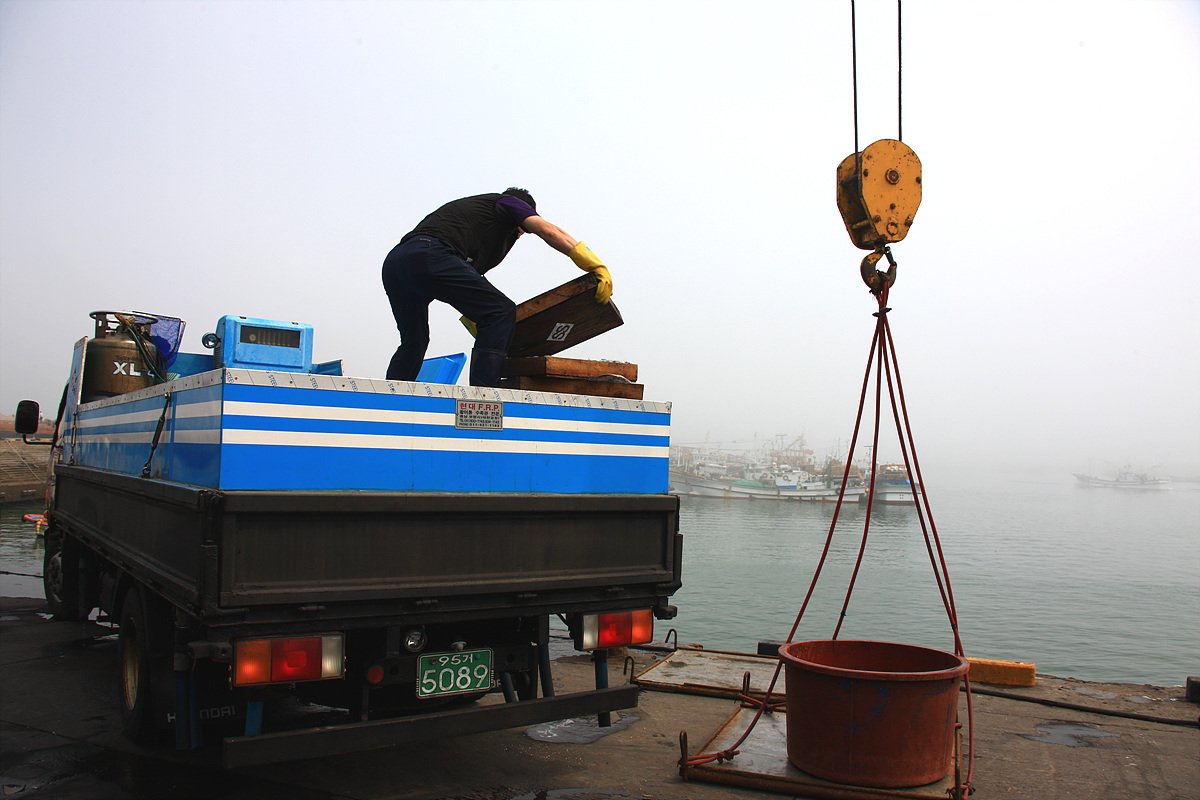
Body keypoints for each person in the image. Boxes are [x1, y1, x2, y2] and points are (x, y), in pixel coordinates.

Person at [382, 188, 613, 387]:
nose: (520, 235)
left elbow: (466, 283)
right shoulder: (507, 203)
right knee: (500, 310)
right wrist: (593, 263)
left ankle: (392, 394)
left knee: (414, 341)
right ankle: (483, 396)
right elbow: (549, 231)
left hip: (396, 264)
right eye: (522, 229)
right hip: (429, 254)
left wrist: (486, 328)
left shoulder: (476, 227)